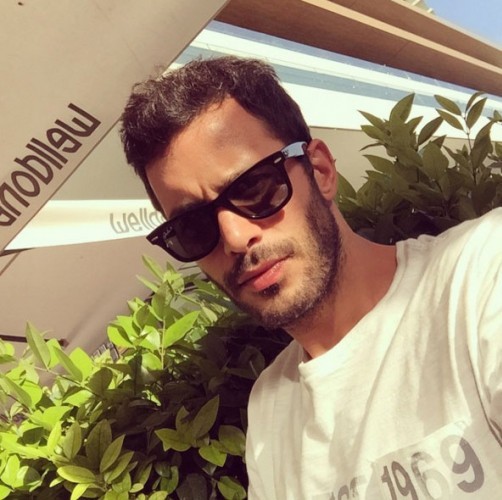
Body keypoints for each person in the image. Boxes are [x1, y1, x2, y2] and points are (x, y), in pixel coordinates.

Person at [120, 56, 501, 499]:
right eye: (193, 227)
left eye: (253, 187)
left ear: (319, 171)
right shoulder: (270, 412)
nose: (236, 238)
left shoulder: (480, 273)